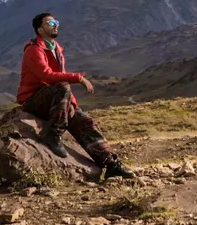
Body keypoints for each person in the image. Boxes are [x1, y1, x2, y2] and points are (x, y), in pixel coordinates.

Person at [18, 12, 134, 180]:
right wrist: (78, 78)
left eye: (56, 21)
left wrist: (71, 104)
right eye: (50, 23)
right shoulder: (33, 50)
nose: (56, 25)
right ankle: (54, 134)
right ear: (40, 30)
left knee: (85, 121)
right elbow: (47, 75)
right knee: (62, 86)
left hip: (54, 99)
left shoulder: (56, 49)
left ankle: (111, 165)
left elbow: (60, 78)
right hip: (33, 100)